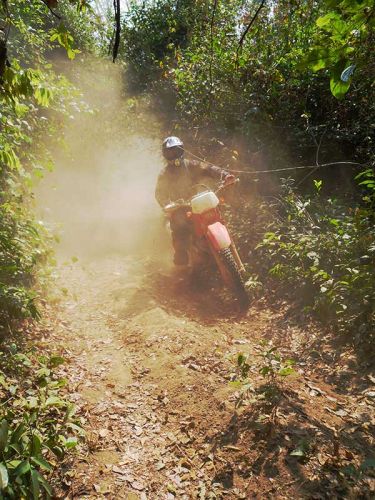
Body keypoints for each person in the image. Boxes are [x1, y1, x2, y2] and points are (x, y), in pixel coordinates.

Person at [155, 136, 235, 266]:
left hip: (197, 201)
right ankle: (181, 254)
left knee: (218, 214)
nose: (173, 154)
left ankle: (222, 244)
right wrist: (166, 204)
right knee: (179, 225)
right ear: (165, 154)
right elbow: (159, 193)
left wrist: (225, 175)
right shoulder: (164, 174)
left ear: (181, 150)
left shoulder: (191, 164)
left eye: (175, 151)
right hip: (179, 207)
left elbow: (210, 168)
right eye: (169, 152)